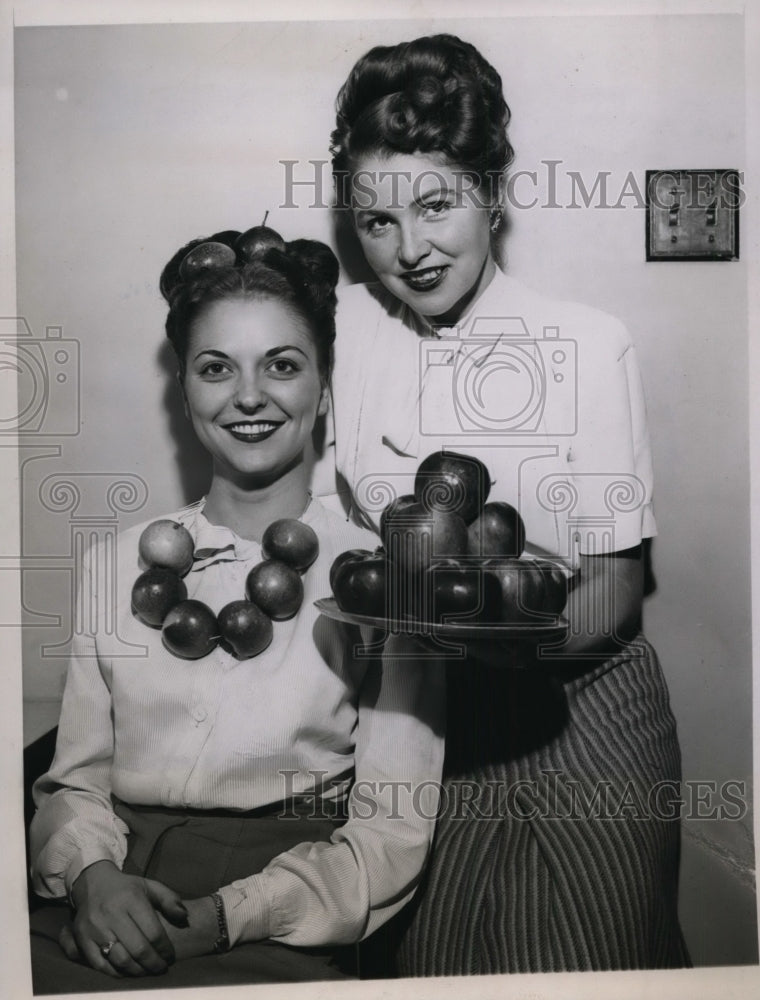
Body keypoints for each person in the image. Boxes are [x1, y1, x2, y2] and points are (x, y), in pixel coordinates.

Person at [317, 32, 691, 975]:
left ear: (491, 190)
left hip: (582, 714)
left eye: (436, 205)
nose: (410, 249)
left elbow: (614, 587)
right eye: (376, 222)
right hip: (419, 725)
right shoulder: (344, 328)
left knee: (591, 969)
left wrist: (504, 637)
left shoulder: (586, 342)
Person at [28, 227, 445, 992]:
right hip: (102, 902)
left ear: (322, 389)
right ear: (184, 388)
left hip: (279, 918)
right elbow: (73, 782)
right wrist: (91, 877)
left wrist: (224, 917)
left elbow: (390, 833)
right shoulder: (113, 564)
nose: (248, 396)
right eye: (216, 368)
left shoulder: (383, 584)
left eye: (281, 366)